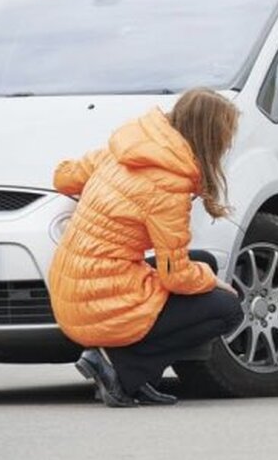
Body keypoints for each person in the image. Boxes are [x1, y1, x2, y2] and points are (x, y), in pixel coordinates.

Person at [48, 87, 246, 407]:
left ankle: (133, 373)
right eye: (226, 137)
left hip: (71, 283)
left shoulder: (129, 147)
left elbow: (63, 178)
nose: (227, 145)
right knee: (226, 308)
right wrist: (212, 280)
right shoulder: (169, 183)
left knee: (203, 259)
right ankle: (122, 368)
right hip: (99, 300)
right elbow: (175, 276)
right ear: (210, 138)